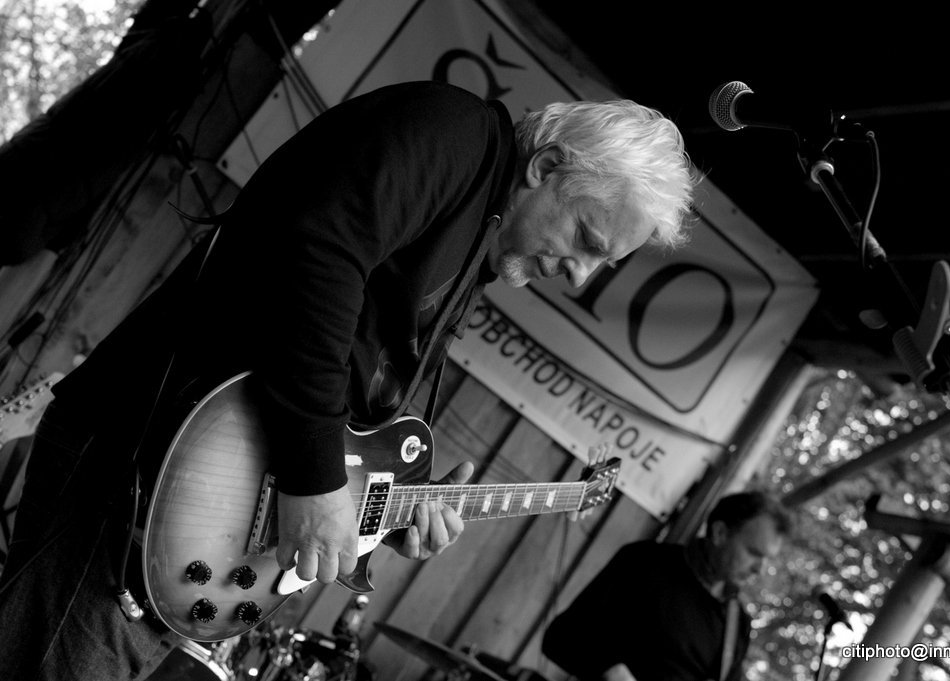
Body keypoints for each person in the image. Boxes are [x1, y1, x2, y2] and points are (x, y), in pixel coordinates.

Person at [0, 79, 695, 680]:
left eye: (602, 264)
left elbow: (351, 400)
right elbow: (318, 253)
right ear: (544, 167)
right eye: (587, 241)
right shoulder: (452, 132)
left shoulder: (467, 252)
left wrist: (389, 506)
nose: (580, 275)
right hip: (143, 462)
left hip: (191, 509)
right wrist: (315, 477)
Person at [542, 491, 790, 681]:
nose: (760, 569)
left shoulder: (738, 625)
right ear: (720, 533)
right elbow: (561, 637)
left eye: (767, 559)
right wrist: (612, 671)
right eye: (754, 553)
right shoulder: (645, 562)